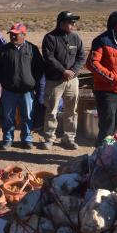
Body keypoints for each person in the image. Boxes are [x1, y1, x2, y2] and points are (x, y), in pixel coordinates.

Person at [87, 11, 117, 146]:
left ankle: (108, 152)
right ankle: (101, 154)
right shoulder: (102, 40)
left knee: (115, 124)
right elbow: (91, 63)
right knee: (107, 126)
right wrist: (111, 77)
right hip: (106, 90)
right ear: (115, 25)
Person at [0, 24, 43, 149]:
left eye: (16, 34)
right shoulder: (4, 50)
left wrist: (32, 83)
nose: (13, 36)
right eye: (11, 34)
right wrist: (4, 82)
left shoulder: (32, 49)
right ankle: (8, 139)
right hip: (9, 90)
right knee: (8, 117)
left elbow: (39, 69)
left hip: (27, 91)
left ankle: (26, 139)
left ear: (23, 35)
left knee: (28, 116)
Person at [41, 11, 86, 150]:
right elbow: (49, 58)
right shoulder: (50, 38)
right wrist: (63, 71)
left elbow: (82, 56)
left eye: (74, 22)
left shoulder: (75, 38)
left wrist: (73, 71)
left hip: (72, 80)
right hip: (55, 81)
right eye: (71, 22)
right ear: (61, 23)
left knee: (71, 110)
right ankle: (49, 138)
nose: (73, 24)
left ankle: (69, 138)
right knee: (52, 110)